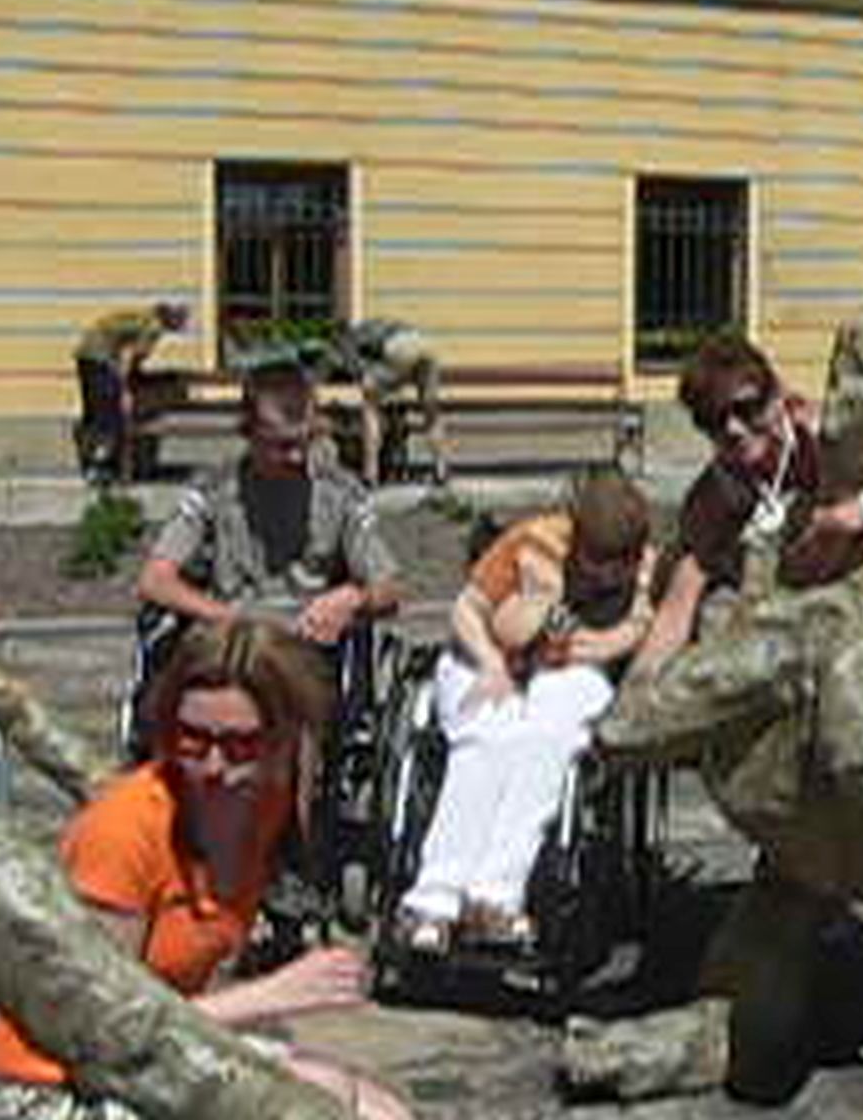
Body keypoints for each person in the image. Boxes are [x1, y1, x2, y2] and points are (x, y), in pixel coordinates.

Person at [0, 619, 414, 1119]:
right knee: (320, 1101)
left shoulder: (265, 808)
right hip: (44, 1084)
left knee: (379, 1109)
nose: (214, 766)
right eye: (192, 739)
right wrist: (271, 995)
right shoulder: (127, 828)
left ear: (283, 739)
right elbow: (102, 1030)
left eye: (240, 745)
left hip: (155, 1059)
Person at [397, 470, 655, 952]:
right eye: (598, 560)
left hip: (564, 670)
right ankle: (433, 900)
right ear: (576, 537)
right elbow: (467, 611)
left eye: (620, 562)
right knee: (487, 740)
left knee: (549, 745)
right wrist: (495, 662)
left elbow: (635, 629)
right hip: (482, 658)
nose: (608, 575)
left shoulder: (644, 568)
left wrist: (584, 648)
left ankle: (494, 897)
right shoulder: (530, 544)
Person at [632, 331, 863, 675]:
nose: (733, 428)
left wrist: (857, 512)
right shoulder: (717, 492)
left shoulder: (828, 436)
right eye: (712, 419)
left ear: (777, 395)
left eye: (746, 408)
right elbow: (678, 605)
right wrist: (638, 691)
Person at [137, 361, 401, 647]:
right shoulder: (212, 493)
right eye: (283, 446)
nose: (298, 457)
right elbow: (154, 581)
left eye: (307, 440)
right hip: (231, 637)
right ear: (248, 433)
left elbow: (389, 589)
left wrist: (355, 598)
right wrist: (227, 618)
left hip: (312, 641)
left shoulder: (341, 494)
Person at [73, 300, 189, 482]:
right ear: (171, 320)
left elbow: (129, 353)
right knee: (109, 414)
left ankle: (94, 461)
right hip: (99, 356)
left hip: (86, 353)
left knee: (95, 410)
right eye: (179, 322)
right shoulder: (153, 327)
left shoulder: (144, 318)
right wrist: (126, 384)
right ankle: (102, 465)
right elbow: (134, 357)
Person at [334, 318, 448, 485]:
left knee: (370, 407)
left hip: (398, 347)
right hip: (425, 345)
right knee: (430, 414)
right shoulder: (376, 325)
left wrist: (370, 383)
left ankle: (370, 473)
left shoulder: (350, 338)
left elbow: (358, 370)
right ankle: (441, 468)